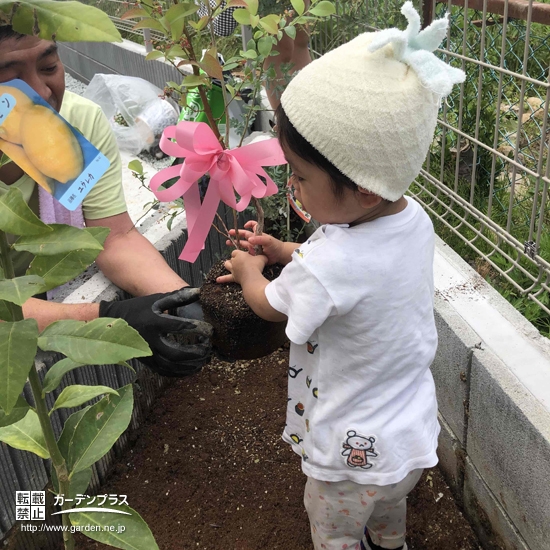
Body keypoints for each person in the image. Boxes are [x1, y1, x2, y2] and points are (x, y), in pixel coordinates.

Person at [216, 3, 465, 549]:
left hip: (347, 460)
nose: (294, 188)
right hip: (408, 439)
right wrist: (285, 248)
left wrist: (249, 267)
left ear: (364, 187)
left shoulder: (330, 265)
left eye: (301, 177)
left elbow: (268, 304)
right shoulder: (411, 218)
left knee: (334, 535)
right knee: (387, 515)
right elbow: (353, 273)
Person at [0, 26, 212, 376]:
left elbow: (115, 238)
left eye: (49, 67)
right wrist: (108, 321)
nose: (40, 92)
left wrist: (186, 301)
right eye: (9, 79)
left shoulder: (77, 121)